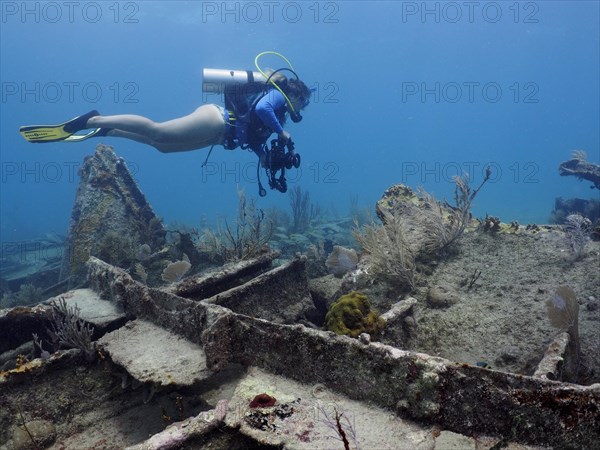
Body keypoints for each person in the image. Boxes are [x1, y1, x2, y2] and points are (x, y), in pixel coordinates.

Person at [19, 74, 311, 160]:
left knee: (163, 147)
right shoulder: (278, 95)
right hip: (218, 119)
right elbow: (260, 110)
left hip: (222, 136)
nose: (301, 108)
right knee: (159, 132)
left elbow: (256, 136)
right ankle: (93, 120)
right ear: (296, 94)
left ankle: (109, 132)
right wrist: (283, 134)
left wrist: (264, 156)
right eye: (303, 102)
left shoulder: (280, 113)